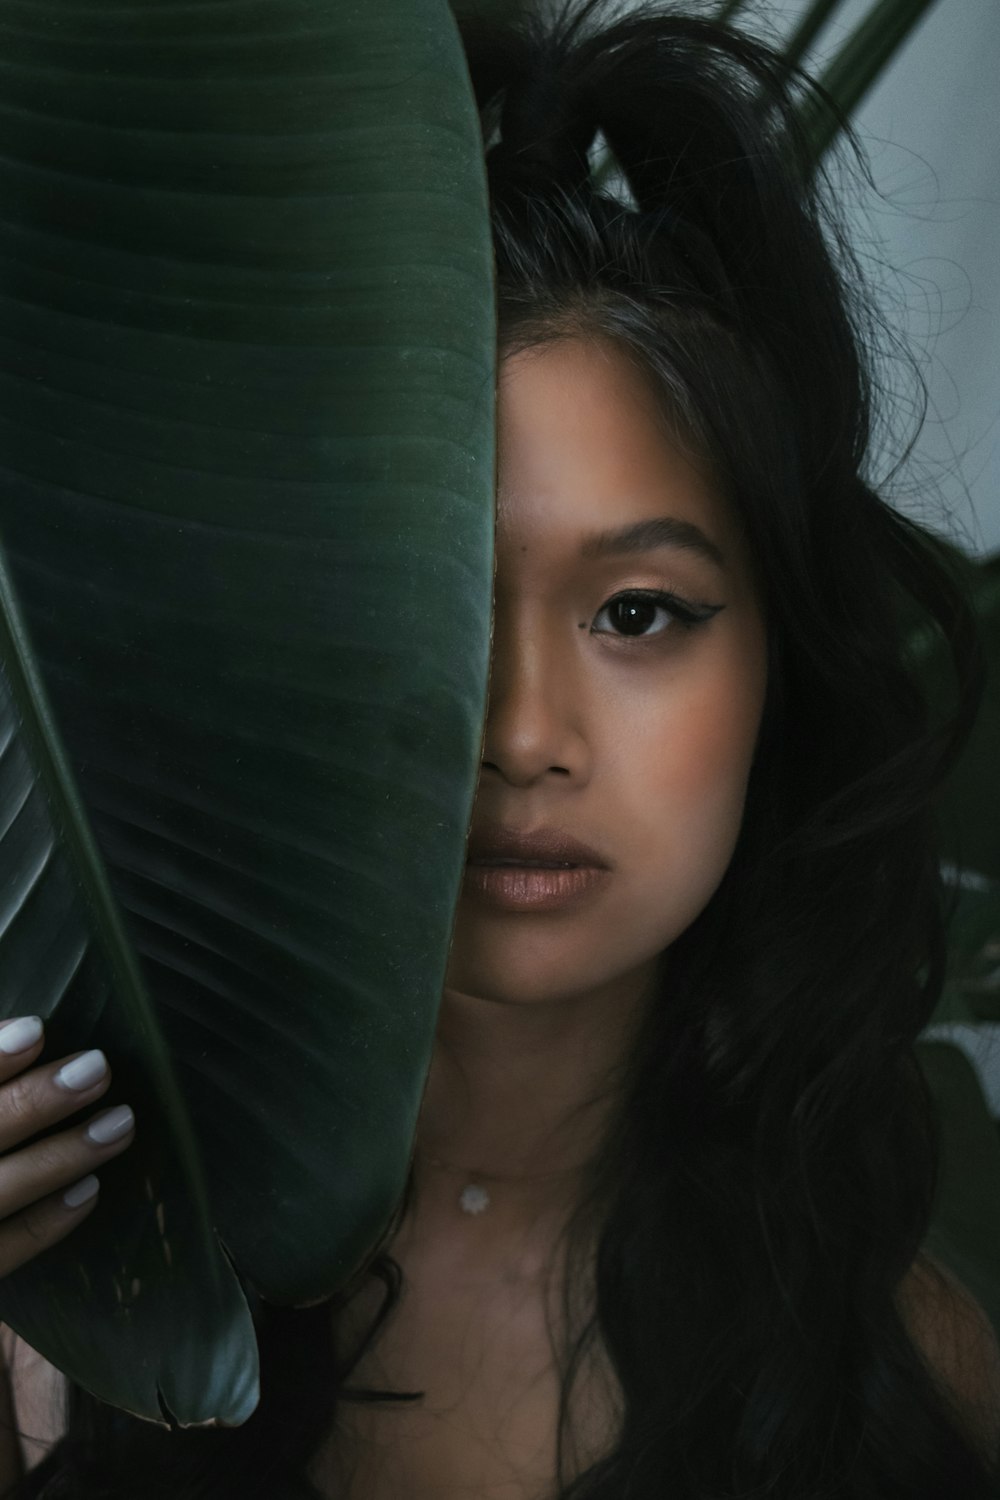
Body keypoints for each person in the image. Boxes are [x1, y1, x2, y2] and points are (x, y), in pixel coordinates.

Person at [0, 1, 998, 1495]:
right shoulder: (72, 1323)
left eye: (642, 613)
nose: (520, 735)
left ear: (780, 666)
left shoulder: (921, 1372)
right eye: (433, 622)